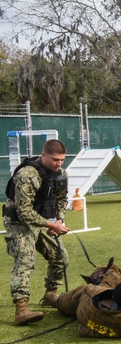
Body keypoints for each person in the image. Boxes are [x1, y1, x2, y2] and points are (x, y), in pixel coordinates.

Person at [3, 139, 70, 326]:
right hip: (18, 222)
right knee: (26, 258)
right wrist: (51, 226)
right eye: (55, 159)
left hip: (41, 221)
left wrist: (59, 220)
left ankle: (50, 295)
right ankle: (21, 309)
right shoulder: (27, 175)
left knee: (60, 256)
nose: (58, 164)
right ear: (43, 155)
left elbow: (62, 199)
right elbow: (23, 212)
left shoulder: (61, 174)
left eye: (62, 160)